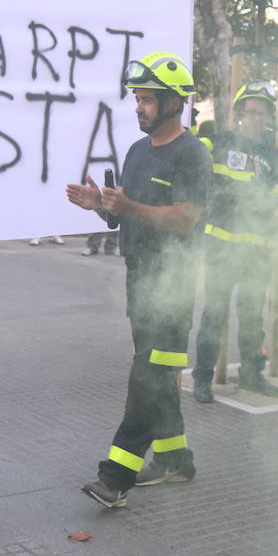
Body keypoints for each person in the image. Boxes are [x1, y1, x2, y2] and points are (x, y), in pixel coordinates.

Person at [66, 51, 210, 507]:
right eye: (138, 100)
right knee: (158, 375)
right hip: (140, 281)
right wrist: (103, 207)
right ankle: (175, 461)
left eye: (148, 100)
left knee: (147, 379)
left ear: (174, 103)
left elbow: (185, 219)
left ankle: (115, 478)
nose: (139, 108)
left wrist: (128, 208)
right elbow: (127, 215)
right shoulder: (136, 151)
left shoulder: (193, 154)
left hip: (172, 284)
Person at [191, 81, 278, 402]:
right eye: (250, 112)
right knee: (214, 314)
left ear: (267, 118)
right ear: (239, 114)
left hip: (258, 250)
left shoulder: (274, 156)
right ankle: (203, 378)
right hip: (222, 246)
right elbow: (190, 150)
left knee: (252, 316)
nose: (255, 118)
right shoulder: (219, 142)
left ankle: (252, 374)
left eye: (260, 113)